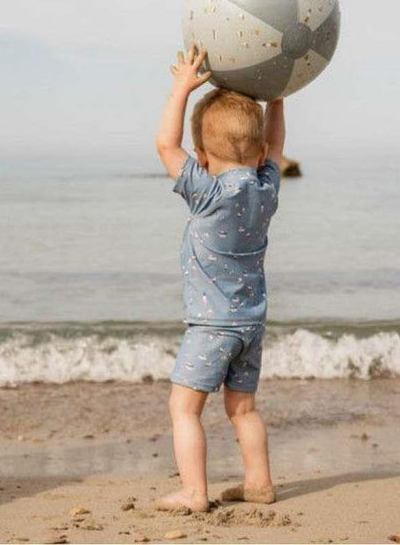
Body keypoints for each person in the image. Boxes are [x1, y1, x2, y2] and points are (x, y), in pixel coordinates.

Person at [154, 44, 285, 513]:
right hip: (252, 325)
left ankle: (194, 493)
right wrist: (278, 98)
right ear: (263, 152)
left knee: (184, 408)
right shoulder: (267, 191)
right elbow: (278, 148)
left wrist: (182, 88)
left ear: (203, 157)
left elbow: (166, 145)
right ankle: (259, 483)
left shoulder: (206, 195)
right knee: (243, 408)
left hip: (211, 326)